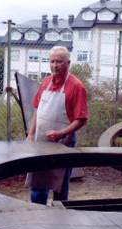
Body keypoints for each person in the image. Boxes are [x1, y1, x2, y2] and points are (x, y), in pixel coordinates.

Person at [25, 46, 88, 205]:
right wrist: (31, 134)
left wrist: (61, 133)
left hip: (63, 143)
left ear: (68, 63)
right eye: (52, 61)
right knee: (38, 183)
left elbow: (81, 119)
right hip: (40, 142)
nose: (55, 65)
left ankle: (59, 220)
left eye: (59, 62)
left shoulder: (76, 86)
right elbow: (37, 111)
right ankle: (37, 214)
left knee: (60, 186)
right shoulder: (45, 82)